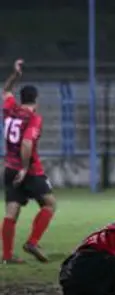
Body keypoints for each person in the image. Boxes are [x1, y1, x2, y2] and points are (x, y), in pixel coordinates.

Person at [2, 59, 56, 264]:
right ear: (36, 100)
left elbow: (5, 91)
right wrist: (25, 169)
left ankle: (7, 256)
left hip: (9, 167)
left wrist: (14, 76)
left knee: (11, 212)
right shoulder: (33, 118)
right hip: (29, 170)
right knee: (50, 204)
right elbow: (26, 143)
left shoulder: (9, 110)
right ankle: (32, 242)